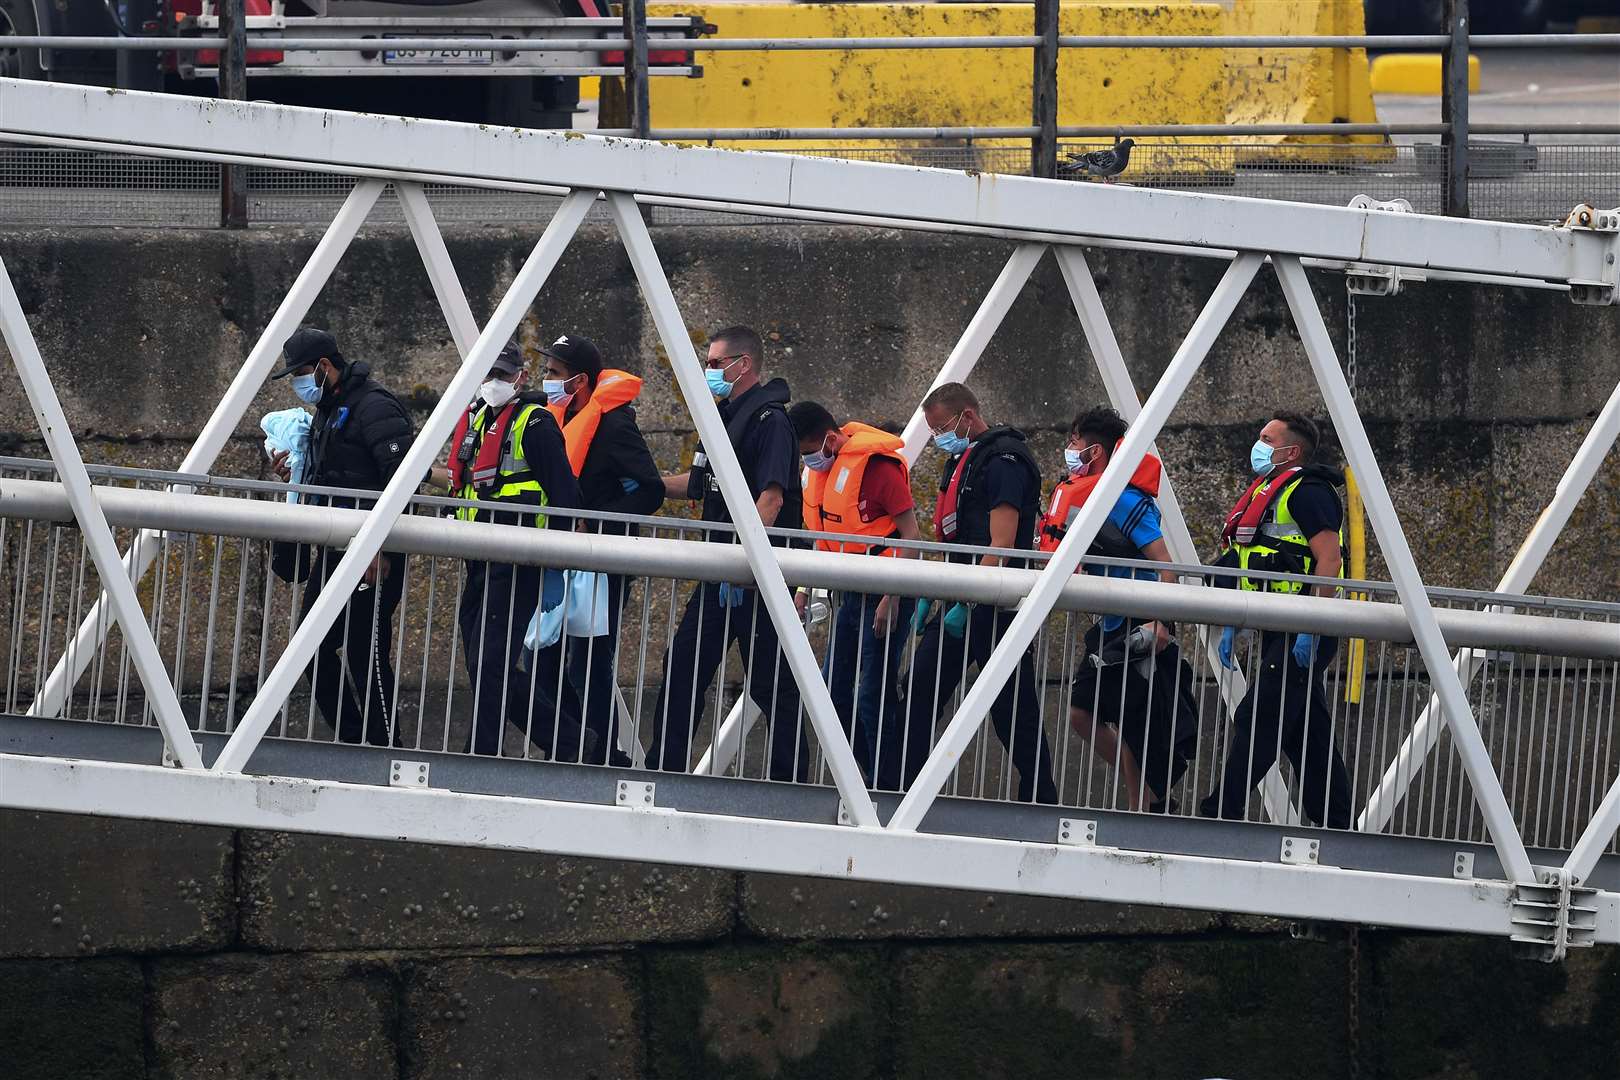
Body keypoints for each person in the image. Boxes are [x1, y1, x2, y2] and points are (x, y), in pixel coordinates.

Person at [648, 325, 809, 782]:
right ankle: (665, 769)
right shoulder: (723, 418)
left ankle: (790, 780)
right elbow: (699, 484)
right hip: (722, 574)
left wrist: (744, 561)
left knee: (771, 682)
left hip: (754, 578)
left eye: (716, 364)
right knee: (683, 666)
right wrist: (649, 483)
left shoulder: (769, 421)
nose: (709, 371)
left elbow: (771, 500)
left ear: (745, 365)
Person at [895, 382, 1058, 804]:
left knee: (1011, 707)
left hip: (993, 603)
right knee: (921, 690)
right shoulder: (963, 459)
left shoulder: (1003, 460)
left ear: (967, 416)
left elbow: (1000, 543)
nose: (937, 438)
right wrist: (941, 590)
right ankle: (899, 789)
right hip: (963, 598)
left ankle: (1040, 797)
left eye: (941, 427)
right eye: (931, 432)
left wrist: (967, 599)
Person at [1199, 412, 1354, 829]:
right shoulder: (1267, 491)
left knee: (1261, 715)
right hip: (1277, 626)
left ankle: (1222, 810)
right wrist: (1235, 622)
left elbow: (1329, 558)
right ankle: (1336, 822)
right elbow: (1250, 564)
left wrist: (1313, 624)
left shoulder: (1308, 492)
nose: (1259, 444)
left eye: (1267, 438)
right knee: (1307, 729)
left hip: (1303, 625)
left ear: (1291, 451)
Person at [440, 342, 591, 762]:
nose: (493, 382)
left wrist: (554, 565)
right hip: (479, 558)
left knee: (491, 663)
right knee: (482, 662)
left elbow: (565, 496)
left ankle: (481, 754)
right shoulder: (475, 418)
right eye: (488, 374)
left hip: (519, 559)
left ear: (519, 378)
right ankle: (572, 742)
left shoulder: (536, 423)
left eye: (502, 375)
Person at [1046, 406, 1199, 813]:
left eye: (1074, 443)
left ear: (1095, 451)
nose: (1068, 451)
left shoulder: (1127, 500)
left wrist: (1160, 623)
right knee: (1083, 712)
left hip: (1139, 623)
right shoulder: (1089, 496)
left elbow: (1165, 565)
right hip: (1110, 624)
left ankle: (1140, 805)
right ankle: (1151, 796)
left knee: (1135, 723)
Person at [268, 327, 414, 748]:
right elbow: (332, 473)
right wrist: (294, 472)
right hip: (337, 551)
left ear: (325, 367)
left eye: (300, 372)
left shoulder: (372, 405)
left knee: (364, 652)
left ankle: (386, 746)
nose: (297, 382)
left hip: (373, 552)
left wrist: (380, 548)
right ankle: (356, 740)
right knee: (310, 649)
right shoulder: (332, 409)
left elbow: (402, 481)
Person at [540, 333, 662, 767]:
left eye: (554, 373)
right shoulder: (552, 416)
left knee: (589, 662)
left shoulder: (613, 425)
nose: (546, 381)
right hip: (562, 557)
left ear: (580, 381)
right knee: (545, 656)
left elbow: (651, 490)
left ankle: (606, 755)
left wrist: (597, 520)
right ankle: (576, 746)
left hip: (601, 562)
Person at [789, 401, 923, 790]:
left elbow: (911, 536)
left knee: (872, 694)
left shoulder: (879, 469)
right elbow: (823, 539)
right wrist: (803, 588)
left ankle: (890, 787)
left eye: (808, 451)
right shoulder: (819, 477)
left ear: (830, 440)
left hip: (887, 596)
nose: (808, 461)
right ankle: (868, 776)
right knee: (832, 691)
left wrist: (892, 597)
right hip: (849, 596)